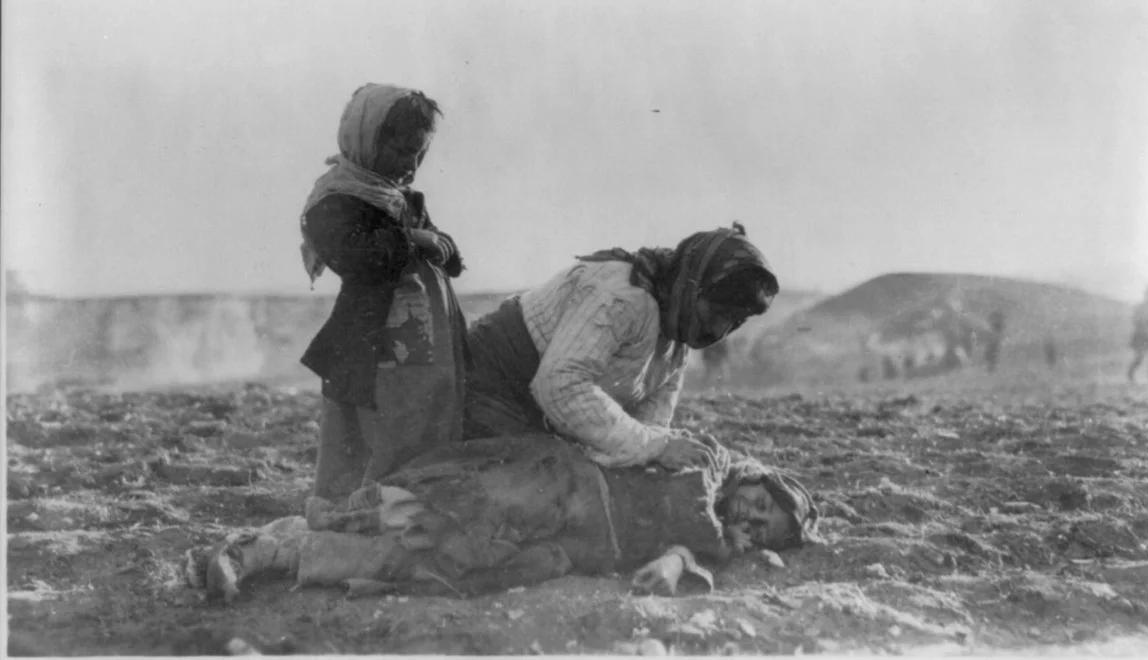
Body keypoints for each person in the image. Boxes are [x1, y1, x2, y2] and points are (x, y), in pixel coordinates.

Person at [183, 433, 820, 603]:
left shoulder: (718, 542)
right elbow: (690, 505)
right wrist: (715, 542)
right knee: (432, 514)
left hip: (571, 546)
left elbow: (684, 555)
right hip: (561, 488)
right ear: (755, 478)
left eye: (765, 527)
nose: (751, 517)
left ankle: (265, 555)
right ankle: (257, 545)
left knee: (435, 563)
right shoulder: (710, 465)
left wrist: (692, 558)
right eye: (761, 503)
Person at [462, 222, 779, 470]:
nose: (720, 329)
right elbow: (560, 385)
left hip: (542, 410)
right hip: (491, 385)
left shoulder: (676, 339)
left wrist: (661, 450)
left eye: (736, 321)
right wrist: (657, 448)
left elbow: (649, 422)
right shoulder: (625, 297)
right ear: (692, 284)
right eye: (720, 312)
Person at [299, 84, 469, 500]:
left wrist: (443, 249)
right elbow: (357, 259)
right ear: (366, 140)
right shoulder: (335, 200)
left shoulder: (401, 199)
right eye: (401, 151)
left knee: (421, 429)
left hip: (421, 349)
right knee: (369, 443)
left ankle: (402, 514)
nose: (411, 164)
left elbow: (441, 252)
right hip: (371, 347)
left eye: (420, 154)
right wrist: (413, 240)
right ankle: (351, 525)